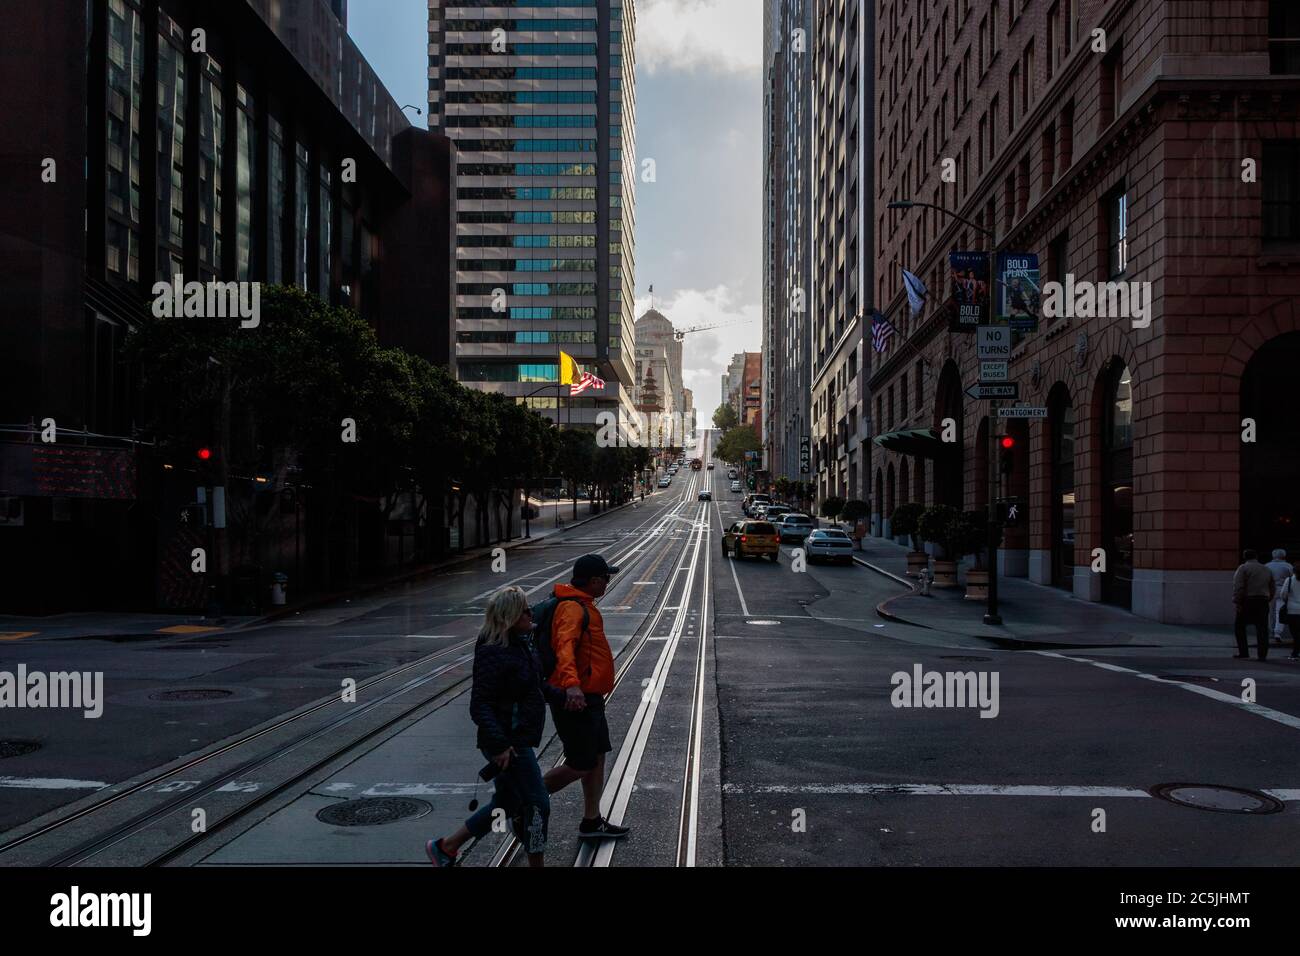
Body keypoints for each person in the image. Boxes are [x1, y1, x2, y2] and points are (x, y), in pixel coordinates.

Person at [427, 586, 561, 868]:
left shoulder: (521, 642)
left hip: (517, 737)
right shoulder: (493, 649)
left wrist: (567, 698)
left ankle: (446, 847)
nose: (530, 613)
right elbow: (480, 704)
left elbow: (534, 688)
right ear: (511, 615)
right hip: (508, 743)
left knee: (507, 802)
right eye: (525, 609)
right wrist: (500, 744)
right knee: (538, 804)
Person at [541, 554, 631, 841]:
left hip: (589, 697)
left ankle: (591, 821)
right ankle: (525, 797)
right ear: (593, 580)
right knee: (581, 762)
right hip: (575, 699)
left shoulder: (584, 605)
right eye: (606, 578)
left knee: (597, 755)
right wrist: (571, 685)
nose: (608, 582)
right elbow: (563, 647)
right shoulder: (572, 608)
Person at [1232, 549, 1275, 661]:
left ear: (1244, 557)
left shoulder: (1243, 568)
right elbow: (1272, 586)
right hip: (1263, 601)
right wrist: (1268, 598)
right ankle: (1262, 655)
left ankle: (1244, 652)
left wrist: (1237, 601)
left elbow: (1239, 586)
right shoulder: (1266, 569)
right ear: (1256, 556)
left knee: (1239, 627)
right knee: (1262, 629)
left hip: (1248, 600)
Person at [1265, 549, 1293, 643]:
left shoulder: (1267, 566)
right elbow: (1292, 579)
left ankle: (1271, 630)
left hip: (1270, 590)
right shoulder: (1288, 566)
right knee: (1279, 612)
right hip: (1282, 590)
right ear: (1283, 556)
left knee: (1270, 612)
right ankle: (1277, 632)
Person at [1282, 561, 1300, 661]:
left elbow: (1283, 594)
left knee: (1295, 633)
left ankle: (1295, 653)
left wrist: (1288, 602)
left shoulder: (1289, 580)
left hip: (1292, 610)